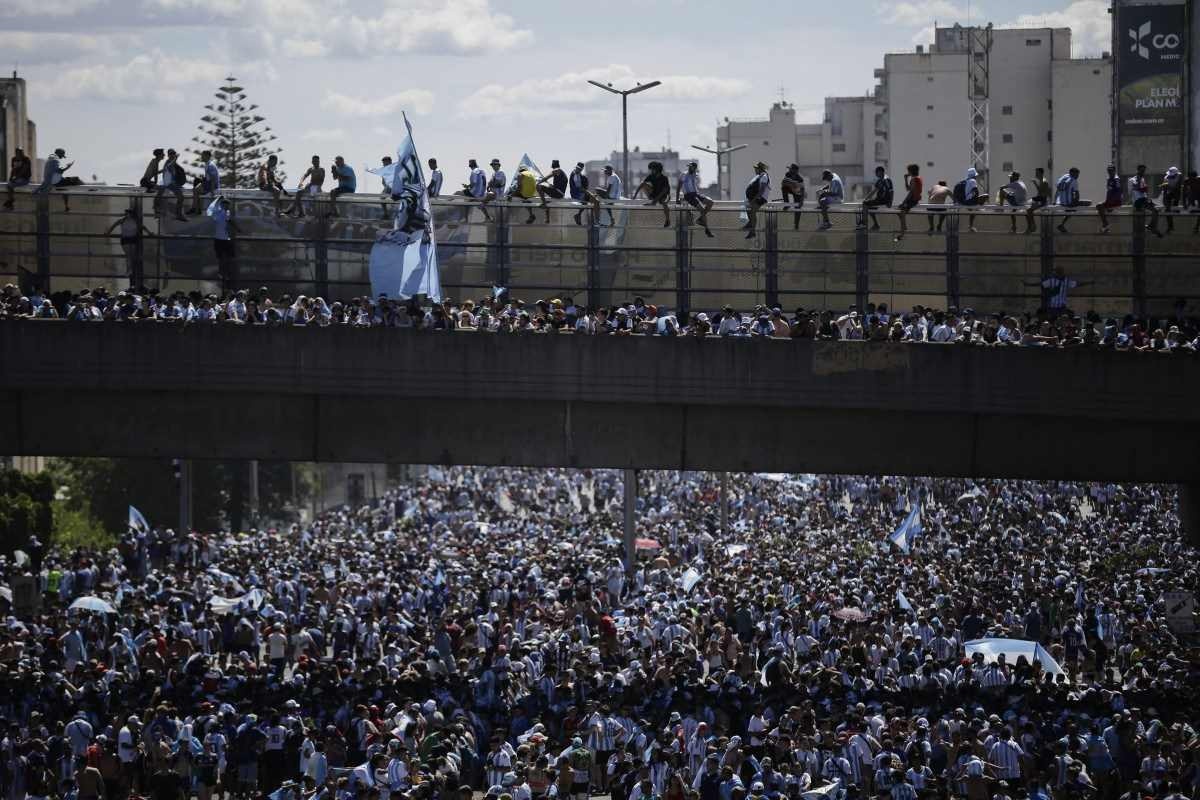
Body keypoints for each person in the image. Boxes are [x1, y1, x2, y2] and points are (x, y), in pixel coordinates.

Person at [104, 209, 153, 285]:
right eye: (126, 214)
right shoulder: (122, 220)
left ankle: (130, 270)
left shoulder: (136, 221)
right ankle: (129, 270)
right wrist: (108, 233)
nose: (126, 215)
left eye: (127, 213)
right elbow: (113, 225)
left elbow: (143, 227)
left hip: (133, 239)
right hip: (125, 239)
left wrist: (149, 233)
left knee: (131, 256)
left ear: (131, 214)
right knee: (128, 255)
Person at [676, 161, 714, 237]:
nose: (689, 168)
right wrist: (677, 199)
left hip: (696, 194)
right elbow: (678, 187)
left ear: (694, 168)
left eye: (691, 166)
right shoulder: (683, 175)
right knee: (702, 209)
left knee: (710, 202)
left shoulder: (695, 174)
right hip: (688, 195)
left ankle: (700, 219)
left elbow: (695, 183)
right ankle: (707, 229)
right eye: (689, 166)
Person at [208, 195, 238, 289]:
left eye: (228, 205)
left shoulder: (227, 212)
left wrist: (237, 228)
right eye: (225, 205)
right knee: (221, 258)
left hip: (226, 239)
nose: (227, 207)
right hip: (219, 239)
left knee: (229, 258)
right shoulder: (218, 212)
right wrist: (218, 198)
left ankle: (227, 273)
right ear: (222, 205)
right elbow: (211, 208)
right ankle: (221, 273)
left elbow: (229, 221)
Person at [633, 161, 672, 228]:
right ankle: (651, 200)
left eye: (652, 169)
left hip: (663, 195)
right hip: (654, 194)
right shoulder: (651, 176)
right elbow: (642, 184)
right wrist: (634, 196)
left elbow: (665, 190)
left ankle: (667, 220)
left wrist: (655, 200)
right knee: (644, 184)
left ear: (657, 169)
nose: (651, 171)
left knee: (663, 202)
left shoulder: (664, 178)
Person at [36, 147, 75, 212]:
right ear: (59, 154)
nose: (62, 158)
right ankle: (66, 206)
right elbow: (60, 170)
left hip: (50, 180)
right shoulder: (55, 159)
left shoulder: (50, 158)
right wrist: (68, 166)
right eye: (62, 156)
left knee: (65, 187)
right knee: (73, 181)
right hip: (53, 182)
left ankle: (66, 206)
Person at [1130, 164, 1162, 238]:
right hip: (1139, 201)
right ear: (1138, 170)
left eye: (1143, 171)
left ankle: (1152, 226)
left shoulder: (1142, 178)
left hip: (1142, 199)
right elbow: (1137, 188)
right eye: (1141, 170)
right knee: (1155, 210)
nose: (1143, 172)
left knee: (1156, 209)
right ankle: (1152, 227)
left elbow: (1143, 190)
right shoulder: (1135, 179)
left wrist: (1146, 195)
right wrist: (1143, 188)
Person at [155, 149, 187, 222]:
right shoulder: (169, 162)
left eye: (173, 153)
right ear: (168, 155)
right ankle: (178, 214)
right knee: (181, 197)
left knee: (180, 197)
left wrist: (157, 172)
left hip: (170, 183)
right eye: (171, 154)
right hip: (169, 184)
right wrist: (176, 158)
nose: (172, 155)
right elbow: (169, 166)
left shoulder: (171, 163)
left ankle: (177, 213)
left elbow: (164, 170)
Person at [1052, 167, 1087, 234]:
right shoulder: (1074, 181)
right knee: (1083, 204)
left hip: (1060, 201)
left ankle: (1062, 224)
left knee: (1070, 210)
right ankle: (1062, 224)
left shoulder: (1063, 177)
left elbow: (1058, 190)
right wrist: (1075, 202)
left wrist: (1055, 200)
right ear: (1072, 173)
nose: (1077, 176)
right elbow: (1077, 194)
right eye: (1077, 174)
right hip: (1068, 203)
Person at [741, 162, 771, 238]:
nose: (755, 170)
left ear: (760, 169)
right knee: (748, 208)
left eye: (756, 168)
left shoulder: (764, 176)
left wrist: (754, 199)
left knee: (752, 210)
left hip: (761, 198)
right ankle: (750, 223)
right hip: (757, 197)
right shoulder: (760, 176)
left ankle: (752, 231)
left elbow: (762, 190)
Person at [861, 166, 894, 232]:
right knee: (868, 206)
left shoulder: (886, 180)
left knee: (865, 204)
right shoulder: (879, 181)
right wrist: (866, 198)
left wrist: (890, 202)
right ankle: (876, 224)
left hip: (884, 200)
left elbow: (891, 191)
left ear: (881, 172)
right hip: (879, 200)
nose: (876, 174)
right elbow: (874, 191)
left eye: (877, 172)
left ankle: (864, 224)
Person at [535, 159, 568, 224]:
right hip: (558, 192)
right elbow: (560, 185)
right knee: (545, 198)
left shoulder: (556, 170)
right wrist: (552, 186)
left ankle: (544, 204)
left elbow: (546, 178)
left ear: (553, 165)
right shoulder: (561, 172)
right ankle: (547, 219)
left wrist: (538, 182)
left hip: (558, 193)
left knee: (538, 187)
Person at [894, 164, 921, 242]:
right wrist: (905, 179)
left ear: (911, 171)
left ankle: (902, 233)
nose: (907, 172)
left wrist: (904, 202)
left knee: (900, 211)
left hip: (913, 199)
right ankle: (904, 227)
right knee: (900, 211)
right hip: (914, 199)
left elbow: (910, 192)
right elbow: (908, 189)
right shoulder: (916, 178)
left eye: (908, 171)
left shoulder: (914, 179)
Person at [189, 150, 221, 215]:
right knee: (196, 183)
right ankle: (196, 209)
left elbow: (213, 179)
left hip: (212, 185)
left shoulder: (210, 165)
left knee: (195, 190)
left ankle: (194, 208)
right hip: (208, 183)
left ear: (207, 156)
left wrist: (212, 191)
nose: (201, 157)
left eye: (203, 155)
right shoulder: (208, 164)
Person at [954, 167, 984, 233]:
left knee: (972, 210)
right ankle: (970, 225)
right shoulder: (973, 181)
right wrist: (977, 202)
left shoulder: (965, 181)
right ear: (974, 175)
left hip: (963, 201)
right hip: (969, 201)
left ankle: (971, 226)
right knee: (985, 196)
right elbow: (975, 191)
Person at [1095, 164, 1123, 234]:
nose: (1110, 172)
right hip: (1109, 200)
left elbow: (1118, 192)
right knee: (1099, 206)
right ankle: (1105, 225)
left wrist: (1111, 203)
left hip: (1115, 201)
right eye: (1108, 170)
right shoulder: (1109, 179)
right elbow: (1109, 190)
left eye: (1111, 170)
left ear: (1114, 170)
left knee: (1099, 206)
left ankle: (1105, 224)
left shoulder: (1116, 179)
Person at [1025, 167, 1050, 234]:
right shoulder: (1041, 180)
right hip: (1039, 198)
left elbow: (1041, 191)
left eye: (1037, 172)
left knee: (1029, 210)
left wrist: (1035, 183)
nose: (1036, 174)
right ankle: (1031, 226)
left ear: (1040, 173)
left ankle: (1032, 226)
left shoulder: (1044, 181)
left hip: (1042, 200)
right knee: (1027, 209)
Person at [780, 164, 806, 230]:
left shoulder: (800, 179)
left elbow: (802, 190)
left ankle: (796, 224)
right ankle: (787, 204)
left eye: (791, 169)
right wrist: (792, 183)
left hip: (798, 191)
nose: (789, 170)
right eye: (789, 169)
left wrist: (801, 201)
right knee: (783, 187)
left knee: (797, 207)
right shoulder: (788, 174)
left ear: (795, 170)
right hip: (791, 188)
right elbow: (783, 182)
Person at [567, 162, 593, 226]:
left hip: (579, 193)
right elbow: (580, 188)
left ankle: (579, 215)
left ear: (581, 169)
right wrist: (589, 194)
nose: (577, 170)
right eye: (577, 168)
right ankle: (580, 215)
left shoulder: (580, 176)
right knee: (590, 199)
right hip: (575, 193)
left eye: (579, 169)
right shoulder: (575, 175)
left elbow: (583, 188)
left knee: (589, 200)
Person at [1161, 166, 1183, 233]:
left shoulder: (1179, 176)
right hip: (1168, 193)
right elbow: (1164, 189)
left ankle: (1175, 205)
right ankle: (1170, 226)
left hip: (1176, 193)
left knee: (1173, 208)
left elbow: (1178, 187)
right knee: (1168, 210)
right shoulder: (1166, 178)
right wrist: (1165, 199)